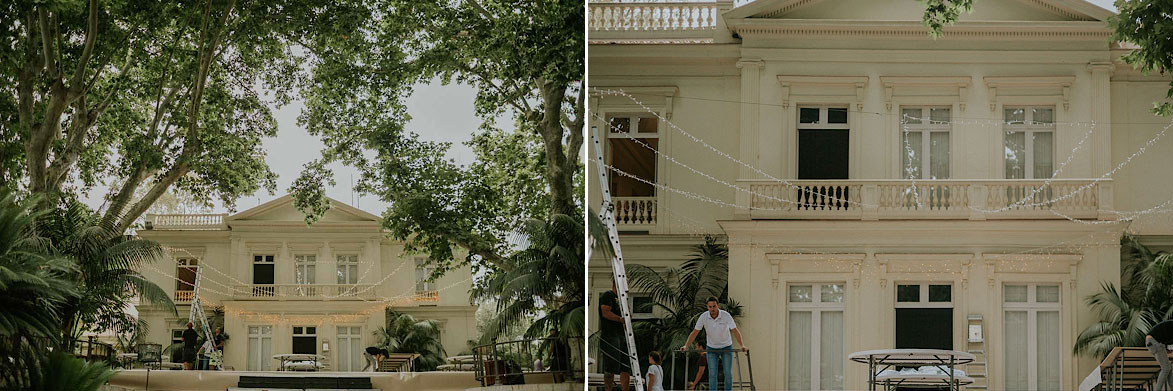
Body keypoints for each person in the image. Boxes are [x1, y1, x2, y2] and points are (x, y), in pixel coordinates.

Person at [681, 296, 747, 391]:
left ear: (718, 306)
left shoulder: (725, 315)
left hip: (726, 347)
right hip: (711, 348)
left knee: (728, 373)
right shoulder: (704, 317)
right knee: (712, 373)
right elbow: (695, 332)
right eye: (710, 307)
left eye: (714, 306)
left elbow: (735, 331)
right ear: (707, 307)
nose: (712, 309)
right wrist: (686, 346)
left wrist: (742, 345)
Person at [599, 280, 631, 391]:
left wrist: (627, 320)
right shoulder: (608, 295)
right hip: (610, 335)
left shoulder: (624, 300)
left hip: (622, 335)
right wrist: (620, 319)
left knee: (626, 365)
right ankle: (608, 390)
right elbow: (605, 312)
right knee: (611, 365)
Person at [1148, 320, 1173, 391]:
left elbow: (1164, 336)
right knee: (1166, 368)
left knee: (1168, 368)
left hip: (1153, 342)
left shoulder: (1170, 325)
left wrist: (1166, 348)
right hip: (1154, 342)